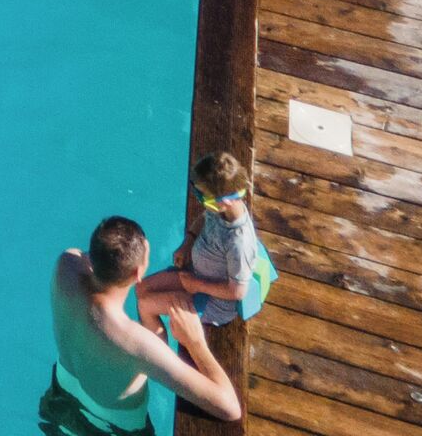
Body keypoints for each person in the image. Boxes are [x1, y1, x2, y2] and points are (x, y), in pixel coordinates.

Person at [47, 216, 241, 431]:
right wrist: (195, 342)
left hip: (58, 397)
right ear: (138, 273)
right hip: (113, 428)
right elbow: (229, 407)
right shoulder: (137, 344)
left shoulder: (66, 265)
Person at [139, 154, 263, 334]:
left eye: (201, 196)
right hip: (196, 275)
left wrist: (197, 285)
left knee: (146, 306)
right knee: (141, 289)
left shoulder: (239, 242)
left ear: (224, 202)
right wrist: (187, 243)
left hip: (212, 301)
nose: (199, 199)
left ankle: (156, 351)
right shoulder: (219, 210)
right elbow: (204, 218)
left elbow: (238, 292)